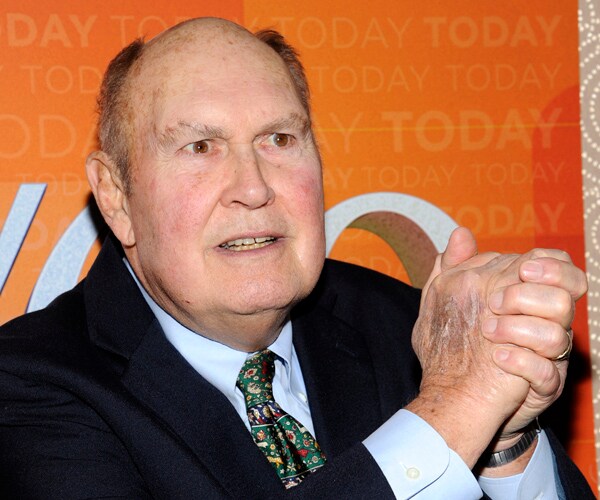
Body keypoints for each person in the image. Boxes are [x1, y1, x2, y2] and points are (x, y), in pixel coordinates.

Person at [0, 17, 592, 499]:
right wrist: (457, 413)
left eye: (279, 139)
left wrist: (504, 443)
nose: (254, 187)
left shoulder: (412, 328)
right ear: (115, 195)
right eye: (200, 147)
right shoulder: (30, 383)